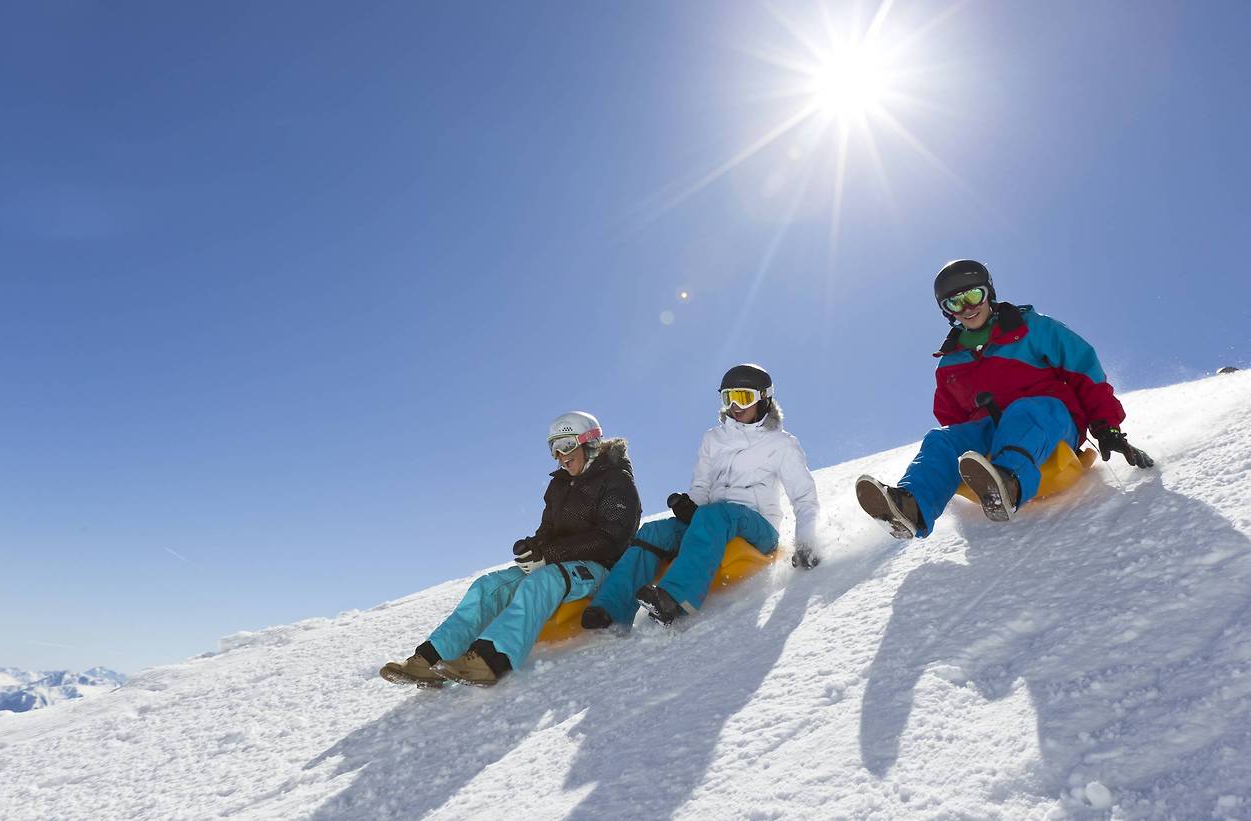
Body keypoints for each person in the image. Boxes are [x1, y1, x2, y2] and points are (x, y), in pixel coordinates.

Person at [856, 259, 1153, 539]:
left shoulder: (1032, 328)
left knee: (1025, 411)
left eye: (973, 295)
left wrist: (1106, 427)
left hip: (1050, 420)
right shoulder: (949, 363)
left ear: (989, 293)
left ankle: (1007, 484)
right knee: (941, 439)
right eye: (954, 303)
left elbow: (1084, 371)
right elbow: (952, 418)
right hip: (993, 431)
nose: (967, 308)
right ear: (946, 311)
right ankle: (912, 507)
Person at [380, 411, 641, 687]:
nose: (560, 455)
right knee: (488, 585)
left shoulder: (616, 480)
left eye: (566, 445)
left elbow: (611, 539)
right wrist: (534, 548)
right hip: (561, 564)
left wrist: (550, 555)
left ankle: (492, 660)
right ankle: (430, 659)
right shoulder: (559, 485)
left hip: (601, 568)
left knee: (542, 581)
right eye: (554, 448)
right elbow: (548, 531)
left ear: (589, 443)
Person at [581, 364, 821, 630]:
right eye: (727, 397)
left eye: (743, 397)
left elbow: (804, 497)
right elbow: (702, 487)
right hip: (714, 519)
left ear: (764, 398)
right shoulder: (713, 439)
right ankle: (610, 608)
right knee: (653, 532)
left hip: (759, 527)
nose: (734, 406)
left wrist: (806, 542)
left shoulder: (781, 444)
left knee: (713, 514)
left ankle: (676, 598)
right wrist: (689, 506)